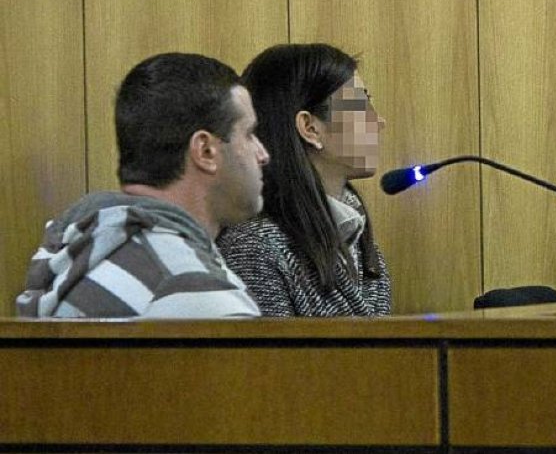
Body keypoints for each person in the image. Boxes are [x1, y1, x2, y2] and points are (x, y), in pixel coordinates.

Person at [17, 53, 268, 318]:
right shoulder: (187, 283)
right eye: (249, 134)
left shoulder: (93, 248)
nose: (263, 154)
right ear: (205, 151)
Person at [216, 43, 392, 316]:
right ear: (310, 128)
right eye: (362, 103)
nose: (379, 121)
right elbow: (270, 359)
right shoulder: (257, 248)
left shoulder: (360, 241)